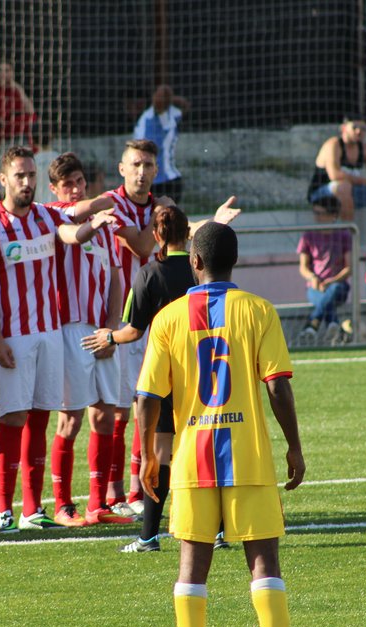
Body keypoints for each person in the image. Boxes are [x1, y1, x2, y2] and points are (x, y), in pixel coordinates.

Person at [135, 221, 305, 627]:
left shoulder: (168, 319)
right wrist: (294, 446)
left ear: (194, 261)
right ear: (236, 261)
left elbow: (147, 397)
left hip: (191, 462)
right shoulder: (258, 310)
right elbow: (277, 387)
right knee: (264, 564)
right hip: (249, 458)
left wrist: (149, 456)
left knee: (192, 568)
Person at [0, 146, 115, 533]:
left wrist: (94, 224)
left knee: (40, 418)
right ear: (3, 180)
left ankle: (31, 509)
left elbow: (71, 233)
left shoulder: (45, 215)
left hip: (49, 332)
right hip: (14, 335)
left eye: (30, 175)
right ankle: (4, 511)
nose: (26, 182)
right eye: (19, 176)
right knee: (13, 418)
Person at [105, 140, 243, 516]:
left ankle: (140, 498)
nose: (142, 171)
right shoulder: (112, 204)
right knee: (123, 411)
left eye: (148, 165)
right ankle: (116, 494)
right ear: (122, 168)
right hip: (138, 322)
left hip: (154, 330)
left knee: (150, 413)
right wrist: (183, 220)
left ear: (156, 169)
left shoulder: (160, 221)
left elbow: (179, 237)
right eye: (136, 164)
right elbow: (142, 244)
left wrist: (211, 224)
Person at [82, 206, 197, 553]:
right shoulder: (199, 269)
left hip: (165, 373)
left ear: (157, 235)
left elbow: (133, 330)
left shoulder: (148, 273)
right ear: (187, 233)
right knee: (202, 447)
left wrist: (108, 336)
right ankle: (218, 531)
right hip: (201, 371)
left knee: (161, 454)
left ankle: (149, 537)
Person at [43, 152, 132, 527]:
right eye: (68, 184)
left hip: (101, 329)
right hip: (70, 329)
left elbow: (115, 280)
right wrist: (94, 213)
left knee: (105, 415)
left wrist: (111, 331)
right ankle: (63, 505)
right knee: (70, 418)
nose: (76, 189)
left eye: (80, 181)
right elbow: (77, 227)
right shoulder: (52, 216)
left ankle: (98, 504)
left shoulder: (106, 228)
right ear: (54, 189)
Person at [307, 116, 366, 226]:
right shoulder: (333, 145)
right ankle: (348, 233)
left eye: (363, 129)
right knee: (344, 186)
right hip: (322, 193)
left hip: (351, 193)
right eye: (355, 127)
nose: (359, 131)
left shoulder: (364, 148)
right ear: (343, 128)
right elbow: (334, 175)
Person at [297, 195, 352, 345]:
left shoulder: (343, 235)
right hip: (315, 286)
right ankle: (334, 325)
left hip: (338, 285)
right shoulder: (308, 236)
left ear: (333, 215)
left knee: (334, 289)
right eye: (315, 213)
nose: (317, 217)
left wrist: (331, 281)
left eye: (320, 213)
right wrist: (313, 278)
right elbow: (303, 267)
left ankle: (312, 325)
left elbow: (349, 268)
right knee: (323, 299)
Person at [133, 85, 189, 203]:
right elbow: (183, 105)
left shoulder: (164, 115)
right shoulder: (150, 116)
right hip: (151, 180)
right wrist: (173, 98)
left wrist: (170, 97)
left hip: (165, 181)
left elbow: (179, 103)